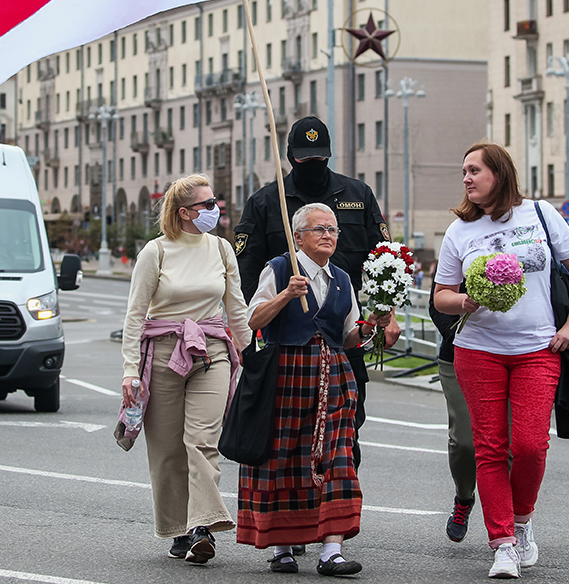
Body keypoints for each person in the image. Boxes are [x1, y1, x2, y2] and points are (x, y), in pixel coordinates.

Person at [433, 142, 569, 579]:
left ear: (499, 174)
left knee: (529, 446)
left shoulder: (540, 214)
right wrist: (464, 299)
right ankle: (503, 542)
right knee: (489, 449)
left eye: (474, 170)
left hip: (538, 350)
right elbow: (441, 296)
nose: (466, 178)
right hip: (478, 350)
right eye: (463, 171)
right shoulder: (459, 231)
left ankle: (522, 522)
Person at [234, 116, 401, 471]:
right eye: (306, 158)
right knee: (287, 436)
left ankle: (338, 511)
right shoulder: (267, 201)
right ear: (292, 156)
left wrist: (387, 314)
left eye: (320, 157)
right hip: (289, 345)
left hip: (344, 337)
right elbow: (247, 276)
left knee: (345, 430)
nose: (314, 165)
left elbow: (383, 260)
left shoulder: (358, 194)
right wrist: (255, 330)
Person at [238, 203, 389, 576]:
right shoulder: (278, 270)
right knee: (283, 459)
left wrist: (371, 326)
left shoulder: (341, 278)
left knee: (337, 458)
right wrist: (286, 295)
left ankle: (331, 550)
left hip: (334, 379)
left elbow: (348, 335)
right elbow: (253, 320)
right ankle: (283, 547)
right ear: (298, 237)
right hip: (286, 375)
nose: (328, 235)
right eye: (320, 228)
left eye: (333, 230)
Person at [120, 174, 252, 565]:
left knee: (202, 440)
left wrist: (250, 352)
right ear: (184, 213)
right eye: (208, 205)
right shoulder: (155, 252)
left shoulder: (222, 249)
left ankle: (203, 526)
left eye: (216, 202)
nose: (216, 209)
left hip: (211, 351)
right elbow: (135, 315)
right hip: (162, 352)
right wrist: (130, 370)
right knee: (167, 450)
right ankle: (177, 527)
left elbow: (236, 307)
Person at [427, 265, 476, 544]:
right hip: (457, 355)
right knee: (464, 442)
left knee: (508, 445)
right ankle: (464, 498)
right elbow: (438, 305)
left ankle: (510, 522)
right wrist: (460, 336)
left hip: (508, 355)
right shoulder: (461, 239)